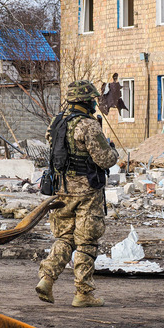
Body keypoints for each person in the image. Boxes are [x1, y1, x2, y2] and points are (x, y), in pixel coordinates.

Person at [36, 80, 119, 308]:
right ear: (85, 100)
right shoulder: (89, 126)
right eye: (92, 99)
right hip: (87, 192)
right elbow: (105, 159)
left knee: (64, 238)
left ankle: (47, 279)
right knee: (86, 242)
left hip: (61, 189)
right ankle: (83, 294)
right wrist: (112, 149)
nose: (94, 103)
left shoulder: (56, 122)